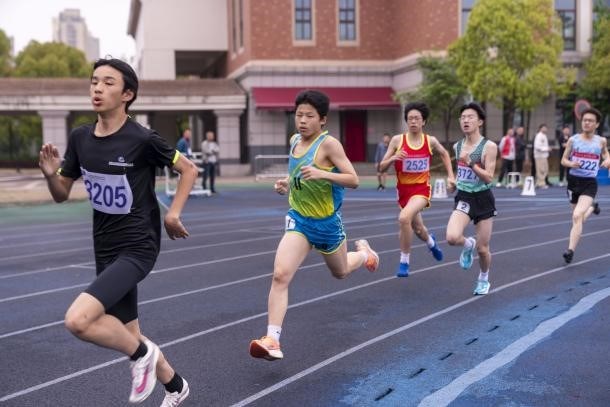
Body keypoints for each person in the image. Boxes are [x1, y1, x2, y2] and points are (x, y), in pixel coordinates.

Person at [38, 58, 197, 406]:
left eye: (108, 83)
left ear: (127, 94)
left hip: (138, 245)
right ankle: (175, 387)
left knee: (78, 321)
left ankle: (143, 356)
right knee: (128, 333)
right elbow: (62, 194)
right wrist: (52, 174)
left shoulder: (142, 139)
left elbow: (188, 169)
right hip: (105, 247)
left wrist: (173, 214)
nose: (97, 88)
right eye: (94, 81)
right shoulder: (80, 138)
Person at [249, 89, 380, 361]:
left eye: (309, 115)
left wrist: (322, 173)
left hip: (328, 224)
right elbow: (297, 173)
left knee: (341, 272)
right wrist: (287, 183)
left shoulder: (329, 145)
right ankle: (273, 339)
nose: (303, 120)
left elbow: (354, 179)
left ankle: (365, 253)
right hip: (300, 220)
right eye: (299, 114)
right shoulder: (295, 140)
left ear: (323, 120)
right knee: (280, 275)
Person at [378, 102, 455, 277]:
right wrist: (393, 158)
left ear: (423, 121)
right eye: (410, 118)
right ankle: (431, 243)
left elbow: (444, 154)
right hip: (403, 192)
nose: (413, 121)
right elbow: (381, 168)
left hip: (421, 190)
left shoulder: (430, 141)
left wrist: (451, 175)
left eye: (417, 118)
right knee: (418, 229)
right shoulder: (397, 140)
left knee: (404, 218)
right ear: (406, 121)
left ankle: (404, 261)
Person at [446, 102, 498, 295]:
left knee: (483, 249)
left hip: (483, 199)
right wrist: (453, 183)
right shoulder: (457, 146)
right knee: (452, 237)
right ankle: (468, 244)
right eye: (463, 117)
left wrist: (472, 163)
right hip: (465, 197)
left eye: (470, 117)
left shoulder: (489, 146)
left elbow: (489, 177)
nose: (466, 120)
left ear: (480, 122)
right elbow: (462, 173)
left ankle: (483, 279)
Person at [560, 107, 610, 264]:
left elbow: (606, 154)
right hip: (573, 182)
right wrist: (571, 163)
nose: (587, 123)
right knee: (577, 218)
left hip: (589, 183)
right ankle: (592, 208)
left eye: (591, 121)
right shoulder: (573, 140)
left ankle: (570, 251)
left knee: (576, 216)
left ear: (596, 124)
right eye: (585, 120)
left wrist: (608, 160)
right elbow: (563, 160)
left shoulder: (601, 141)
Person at [533, 124, 551, 188]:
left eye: (546, 128)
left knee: (545, 169)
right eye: (544, 128)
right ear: (540, 128)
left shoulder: (544, 135)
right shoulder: (538, 136)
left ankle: (539, 182)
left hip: (544, 155)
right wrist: (546, 149)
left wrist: (547, 148)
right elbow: (537, 147)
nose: (545, 129)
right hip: (539, 156)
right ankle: (541, 183)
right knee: (541, 169)